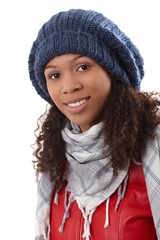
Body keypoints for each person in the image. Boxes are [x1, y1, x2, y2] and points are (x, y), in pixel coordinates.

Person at [28, 9, 160, 240]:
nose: (69, 86)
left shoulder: (154, 150)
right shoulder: (55, 164)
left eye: (83, 67)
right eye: (55, 75)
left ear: (113, 71)